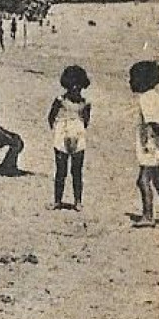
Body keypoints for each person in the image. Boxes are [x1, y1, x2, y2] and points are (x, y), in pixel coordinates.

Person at [47, 65, 93, 210]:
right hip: (62, 133)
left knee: (77, 170)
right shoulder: (60, 100)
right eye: (72, 85)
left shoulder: (85, 103)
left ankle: (78, 201)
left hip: (78, 134)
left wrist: (77, 130)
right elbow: (51, 117)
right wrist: (58, 131)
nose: (75, 89)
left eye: (78, 86)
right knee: (61, 170)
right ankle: (57, 200)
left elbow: (86, 120)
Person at [130, 60, 159, 227]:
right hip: (156, 146)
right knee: (157, 180)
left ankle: (148, 215)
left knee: (143, 180)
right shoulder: (155, 97)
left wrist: (155, 143)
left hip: (151, 147)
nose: (130, 82)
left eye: (132, 78)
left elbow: (154, 124)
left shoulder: (146, 99)